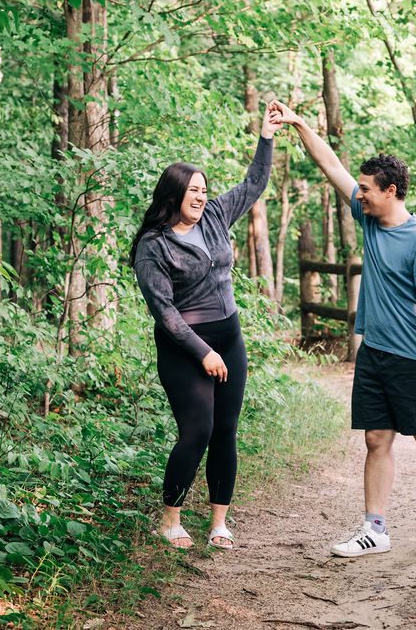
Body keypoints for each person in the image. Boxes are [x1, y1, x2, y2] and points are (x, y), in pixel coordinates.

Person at [268, 99, 416, 557]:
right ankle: (375, 529)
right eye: (362, 189)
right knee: (376, 439)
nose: (361, 194)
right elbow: (330, 163)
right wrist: (297, 124)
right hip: (374, 352)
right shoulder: (370, 220)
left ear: (391, 191)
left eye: (368, 189)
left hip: (414, 358)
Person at [130, 106, 281, 550]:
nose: (200, 196)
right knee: (197, 428)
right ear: (174, 194)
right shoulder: (152, 246)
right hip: (185, 349)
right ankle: (171, 520)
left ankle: (219, 523)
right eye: (192, 190)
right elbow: (166, 312)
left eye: (204, 190)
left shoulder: (215, 217)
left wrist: (266, 137)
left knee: (225, 430)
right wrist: (203, 352)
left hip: (229, 338)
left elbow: (254, 184)